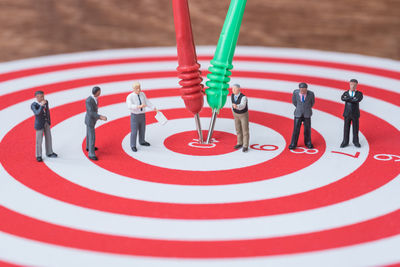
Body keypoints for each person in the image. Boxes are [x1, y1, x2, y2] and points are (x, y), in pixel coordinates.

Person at [126, 82, 157, 152]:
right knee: (134, 131)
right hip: (135, 115)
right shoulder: (130, 97)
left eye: (139, 88)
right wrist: (138, 106)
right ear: (133, 89)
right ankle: (133, 145)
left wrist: (153, 107)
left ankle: (142, 140)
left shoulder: (142, 94)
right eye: (137, 88)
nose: (139, 89)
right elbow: (129, 106)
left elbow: (147, 101)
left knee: (142, 129)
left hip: (142, 114)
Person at [31, 91, 57, 162]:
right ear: (37, 97)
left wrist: (49, 121)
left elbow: (47, 111)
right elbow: (37, 113)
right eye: (41, 97)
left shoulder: (46, 102)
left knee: (48, 137)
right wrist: (41, 106)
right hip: (39, 124)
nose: (43, 98)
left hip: (46, 122)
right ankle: (38, 155)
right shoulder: (33, 105)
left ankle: (49, 152)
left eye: (43, 96)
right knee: (39, 140)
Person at [289, 82, 315, 150]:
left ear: (306, 89)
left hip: (307, 113)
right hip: (298, 113)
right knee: (296, 130)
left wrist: (306, 108)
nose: (303, 91)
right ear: (299, 89)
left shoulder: (311, 94)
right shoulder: (295, 93)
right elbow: (294, 102)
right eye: (301, 89)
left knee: (307, 129)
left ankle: (308, 142)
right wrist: (299, 108)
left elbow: (312, 103)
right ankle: (293, 143)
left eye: (304, 89)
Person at [85, 86, 107, 160]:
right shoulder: (88, 100)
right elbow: (91, 112)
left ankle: (88, 147)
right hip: (90, 120)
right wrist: (100, 116)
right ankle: (91, 153)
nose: (100, 93)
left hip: (92, 120)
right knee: (92, 136)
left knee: (89, 134)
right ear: (96, 92)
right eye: (99, 92)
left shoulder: (95, 98)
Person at [340, 79, 363, 148]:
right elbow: (342, 98)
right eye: (351, 84)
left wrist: (348, 99)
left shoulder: (359, 94)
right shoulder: (346, 93)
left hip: (355, 114)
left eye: (354, 85)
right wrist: (352, 99)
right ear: (349, 84)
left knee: (355, 128)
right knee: (346, 128)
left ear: (356, 85)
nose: (353, 86)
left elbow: (358, 99)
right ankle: (345, 141)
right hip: (347, 113)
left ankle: (356, 141)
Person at [231, 84, 249, 152]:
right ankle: (239, 143)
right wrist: (233, 110)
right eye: (232, 89)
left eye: (235, 89)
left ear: (239, 89)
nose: (233, 90)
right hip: (236, 114)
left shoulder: (243, 97)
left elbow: (243, 106)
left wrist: (237, 107)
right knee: (238, 129)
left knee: (245, 130)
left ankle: (245, 145)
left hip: (243, 114)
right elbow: (232, 104)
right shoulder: (232, 95)